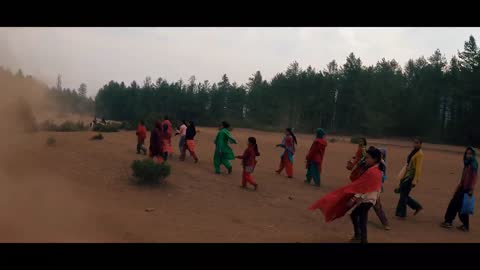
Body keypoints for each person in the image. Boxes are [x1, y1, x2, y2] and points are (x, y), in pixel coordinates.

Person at [309, 147, 383, 244]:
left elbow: (364, 188)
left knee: (360, 218)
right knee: (358, 217)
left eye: (368, 158)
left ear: (375, 159)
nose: (366, 160)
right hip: (369, 199)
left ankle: (361, 238)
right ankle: (360, 237)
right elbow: (366, 186)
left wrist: (353, 199)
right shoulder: (376, 170)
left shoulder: (372, 172)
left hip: (367, 199)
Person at [440, 146, 478, 232]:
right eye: (467, 153)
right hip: (462, 187)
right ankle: (465, 225)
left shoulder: (473, 165)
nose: (468, 155)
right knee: (461, 207)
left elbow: (474, 178)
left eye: (470, 154)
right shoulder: (467, 164)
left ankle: (449, 222)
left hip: (467, 189)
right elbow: (464, 177)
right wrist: (459, 186)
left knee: (454, 205)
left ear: (473, 155)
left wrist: (471, 189)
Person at [395, 137, 424, 218]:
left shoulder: (420, 154)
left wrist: (415, 181)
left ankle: (401, 213)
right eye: (414, 142)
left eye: (417, 143)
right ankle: (416, 206)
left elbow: (418, 168)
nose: (415, 144)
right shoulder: (414, 152)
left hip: (410, 177)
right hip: (406, 175)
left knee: (403, 194)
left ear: (421, 144)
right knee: (404, 194)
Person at [373, 148, 390, 230]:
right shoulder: (376, 162)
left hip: (375, 187)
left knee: (377, 206)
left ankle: (385, 223)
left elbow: (382, 177)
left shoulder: (381, 164)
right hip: (371, 186)